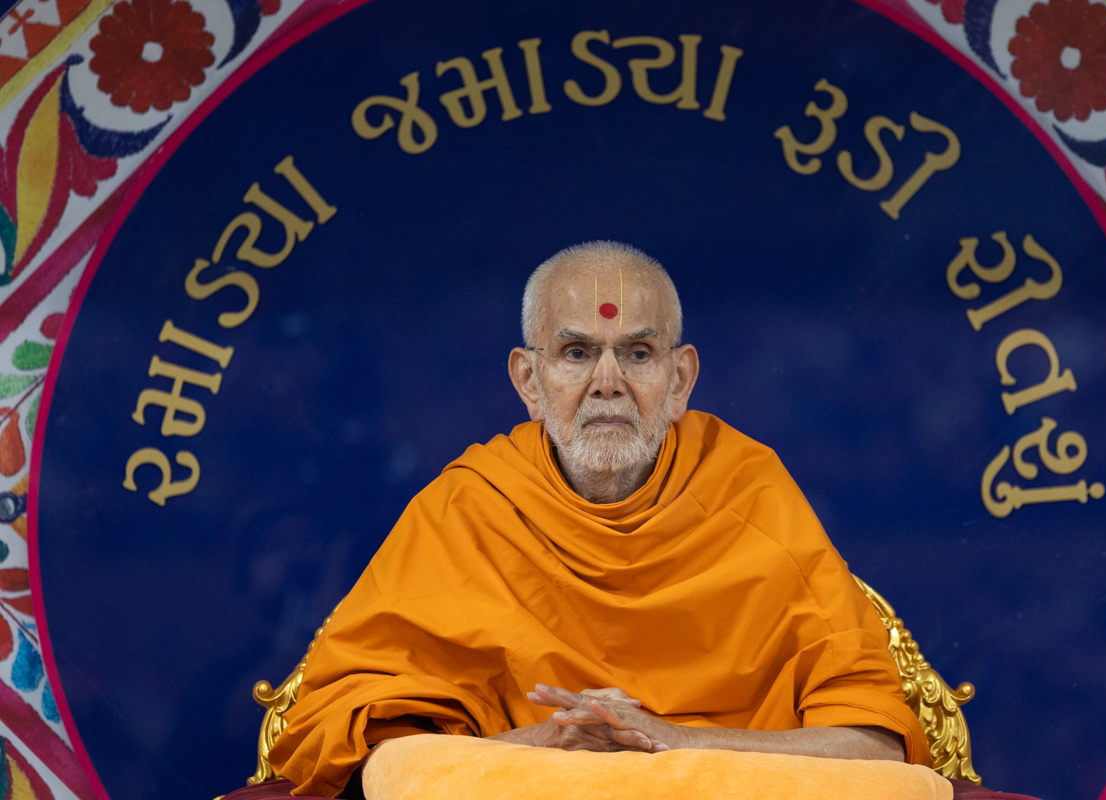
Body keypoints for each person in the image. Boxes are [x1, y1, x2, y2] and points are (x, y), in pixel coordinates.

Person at [256, 241, 935, 798]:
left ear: (680, 380)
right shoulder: (468, 508)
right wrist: (549, 741)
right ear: (529, 380)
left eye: (638, 354)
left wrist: (677, 740)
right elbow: (359, 750)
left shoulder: (748, 493)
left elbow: (875, 744)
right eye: (577, 353)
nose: (608, 382)